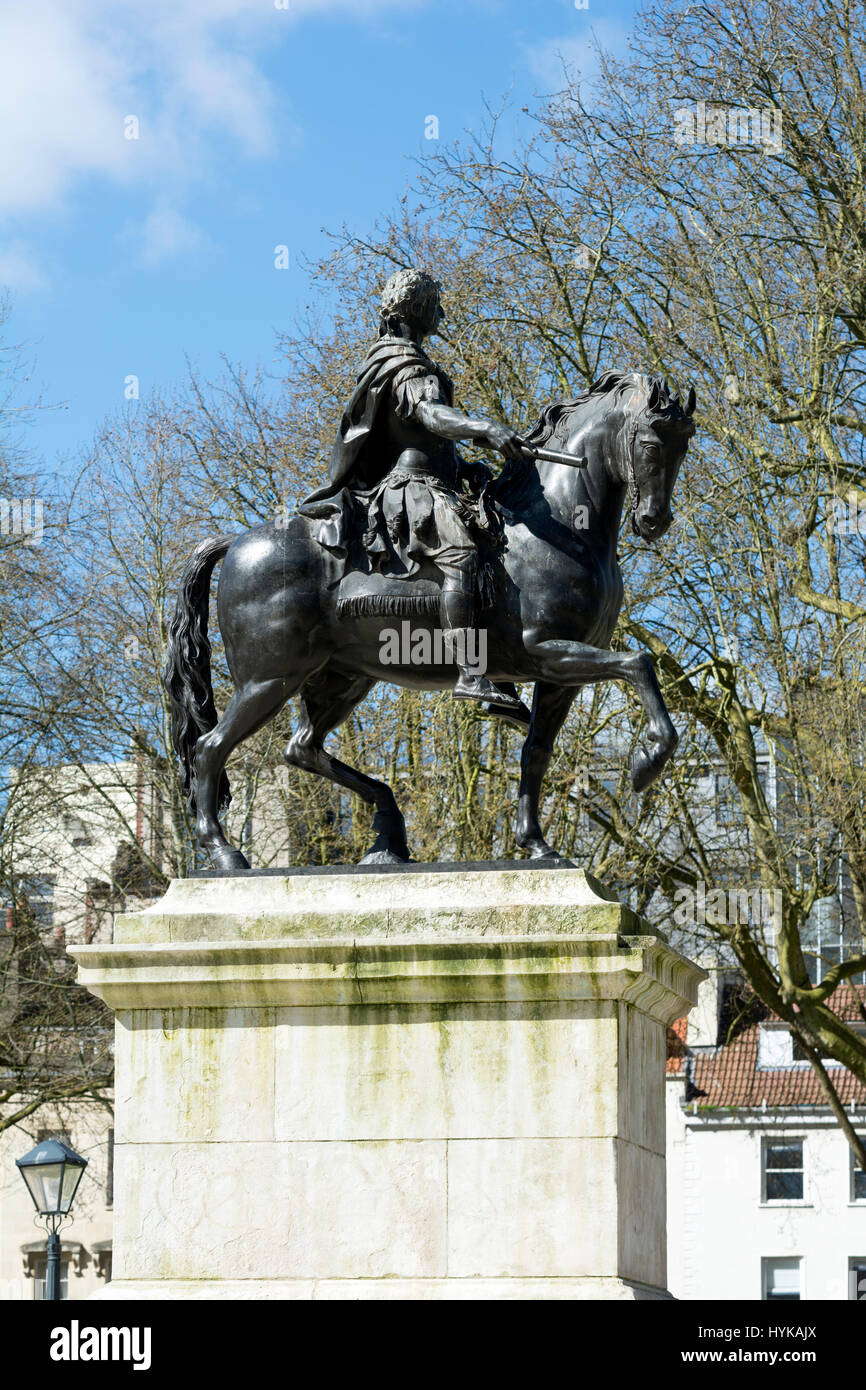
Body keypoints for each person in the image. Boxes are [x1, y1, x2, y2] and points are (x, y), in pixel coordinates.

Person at [302, 266, 529, 711]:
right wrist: (484, 427)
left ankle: (496, 660)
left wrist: (467, 466)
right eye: (437, 305)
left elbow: (424, 439)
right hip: (411, 488)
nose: (442, 313)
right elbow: (429, 417)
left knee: (493, 545)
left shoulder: (398, 361)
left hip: (432, 478)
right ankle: (470, 671)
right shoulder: (406, 364)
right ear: (418, 308)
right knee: (461, 553)